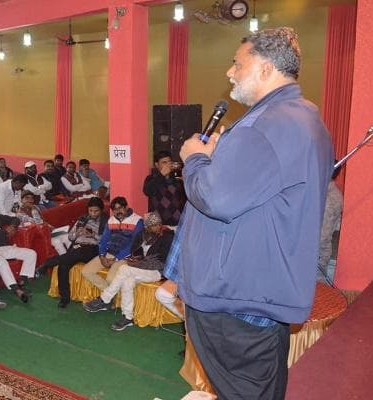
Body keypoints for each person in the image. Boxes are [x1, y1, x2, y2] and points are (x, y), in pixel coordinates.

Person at [164, 28, 334, 399]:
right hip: (257, 291)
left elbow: (215, 198)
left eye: (237, 64)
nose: (230, 72)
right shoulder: (300, 118)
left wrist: (195, 158)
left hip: (235, 299)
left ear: (265, 68)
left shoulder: (266, 126)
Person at [84, 212, 174, 331]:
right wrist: (136, 260)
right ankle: (128, 317)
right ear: (147, 227)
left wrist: (138, 262)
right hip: (139, 267)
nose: (157, 227)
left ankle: (105, 298)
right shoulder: (142, 235)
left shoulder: (167, 236)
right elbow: (134, 251)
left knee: (123, 269)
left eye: (158, 224)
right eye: (153, 225)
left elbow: (161, 259)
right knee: (128, 282)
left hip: (156, 270)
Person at [47, 197, 107, 308]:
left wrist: (93, 235)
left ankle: (48, 263)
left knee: (77, 253)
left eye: (96, 211)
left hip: (93, 249)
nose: (93, 213)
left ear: (101, 210)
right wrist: (77, 233)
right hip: (77, 247)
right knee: (63, 264)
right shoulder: (83, 219)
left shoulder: (106, 221)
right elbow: (70, 236)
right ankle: (64, 297)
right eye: (90, 211)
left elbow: (107, 241)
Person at [81, 196, 143, 291]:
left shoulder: (137, 221)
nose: (117, 212)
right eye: (114, 210)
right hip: (109, 253)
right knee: (86, 271)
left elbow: (134, 244)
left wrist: (116, 259)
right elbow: (104, 240)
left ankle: (107, 296)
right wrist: (102, 256)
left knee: (110, 279)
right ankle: (108, 294)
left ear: (126, 207)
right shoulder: (111, 220)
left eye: (120, 208)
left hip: (125, 257)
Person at [142, 151, 186, 227]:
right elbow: (148, 191)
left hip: (177, 223)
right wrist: (161, 175)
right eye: (164, 162)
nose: (168, 165)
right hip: (157, 225)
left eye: (169, 162)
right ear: (157, 165)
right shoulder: (151, 178)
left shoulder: (176, 179)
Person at [318, 166, 343, 282]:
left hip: (317, 254)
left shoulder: (328, 198)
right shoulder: (326, 193)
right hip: (317, 252)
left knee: (317, 288)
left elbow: (322, 236)